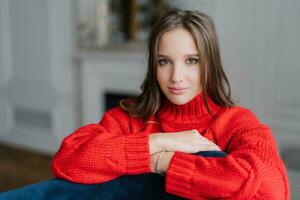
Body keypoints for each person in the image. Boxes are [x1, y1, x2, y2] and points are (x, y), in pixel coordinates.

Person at [51, 9, 290, 199]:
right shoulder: (127, 117)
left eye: (191, 61)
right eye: (164, 61)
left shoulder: (236, 121)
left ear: (210, 64)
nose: (176, 76)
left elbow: (270, 190)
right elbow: (67, 159)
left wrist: (164, 161)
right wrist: (161, 141)